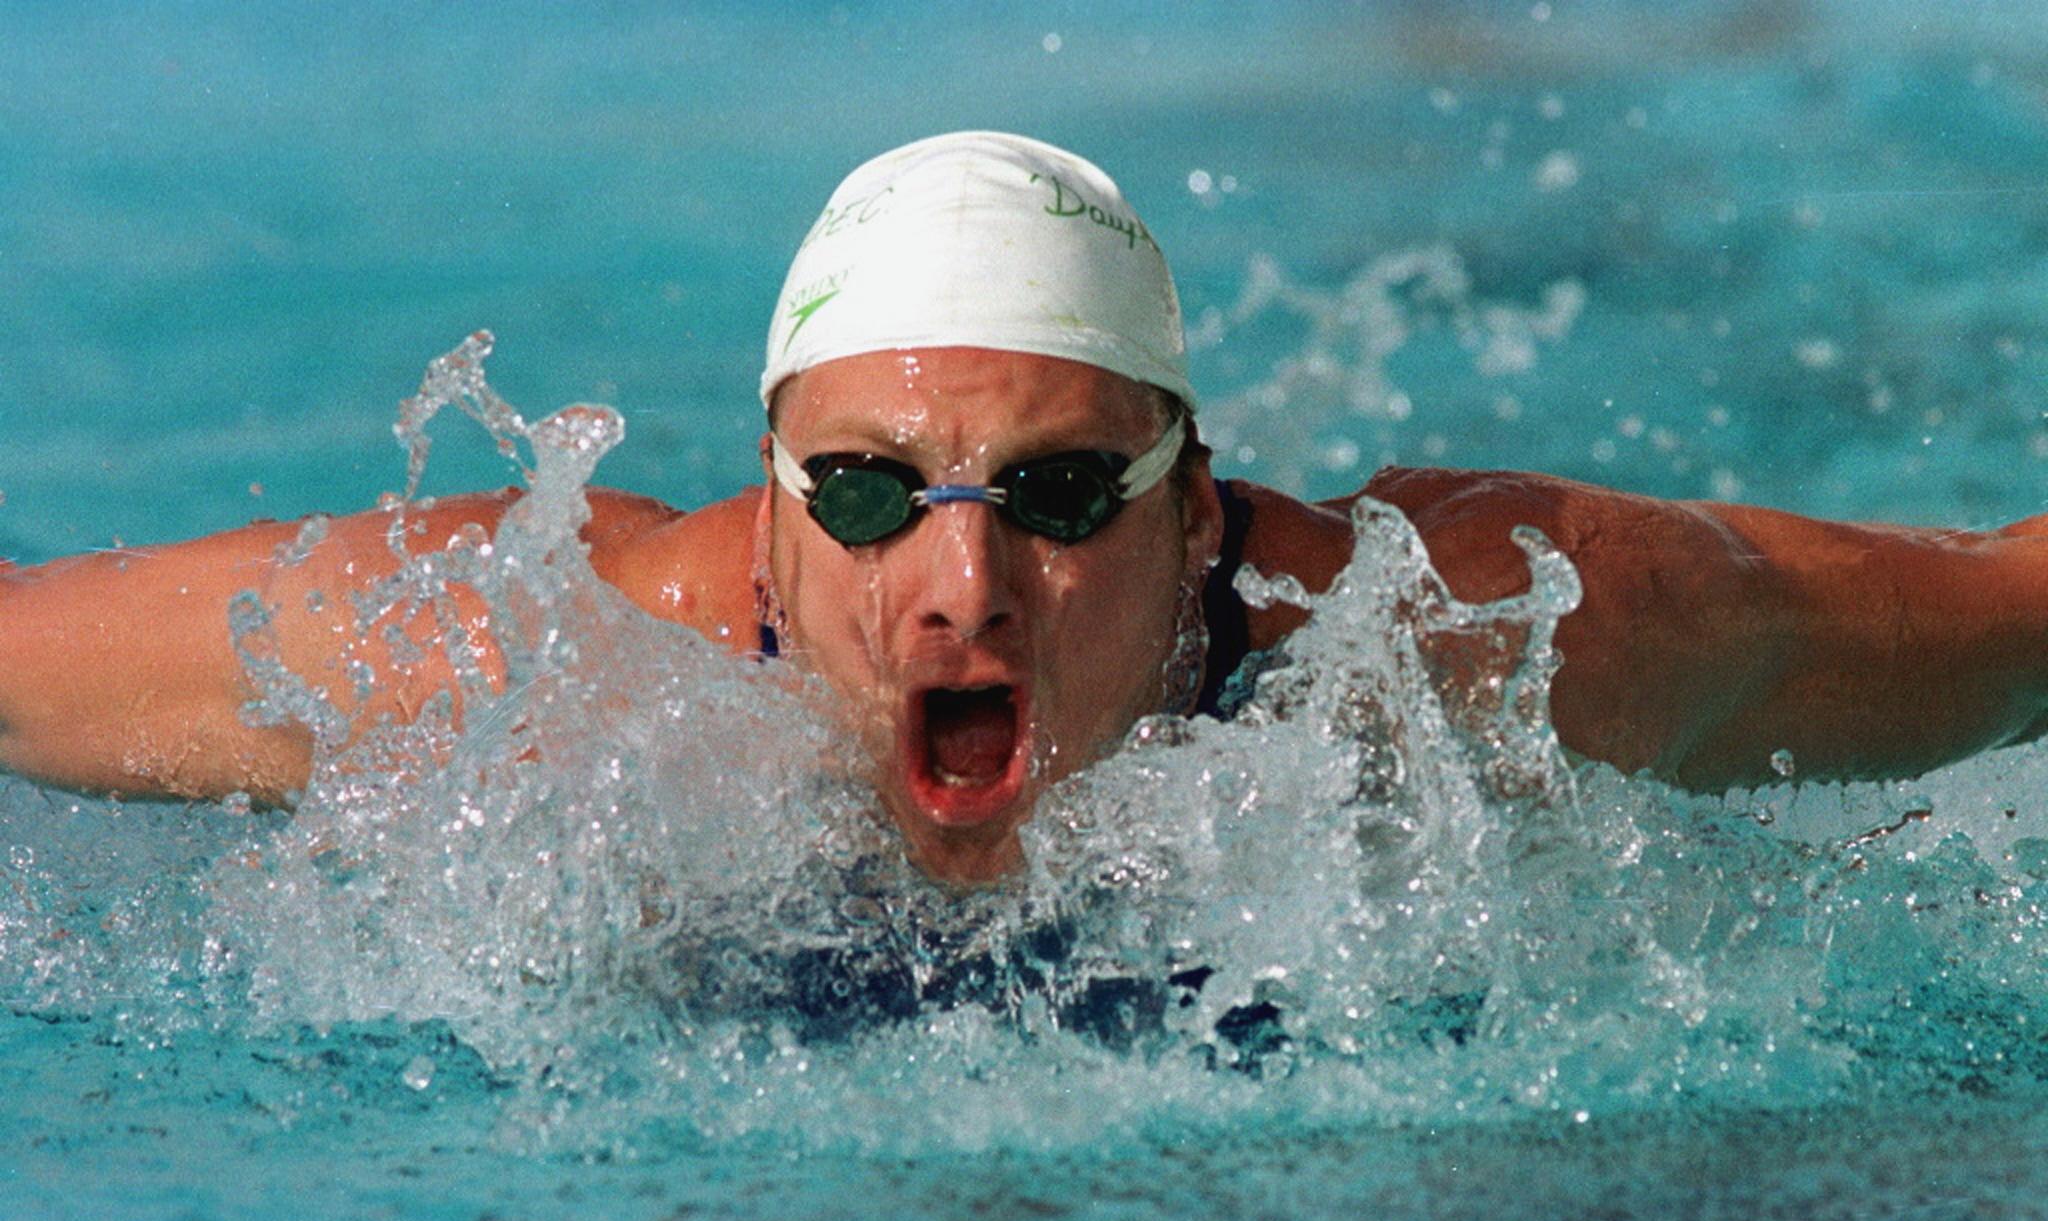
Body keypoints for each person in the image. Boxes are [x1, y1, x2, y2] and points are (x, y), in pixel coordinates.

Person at [3, 131, 2046, 886]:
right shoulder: (540, 656)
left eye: (1063, 492)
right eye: (871, 495)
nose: (958, 591)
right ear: (778, 506)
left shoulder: (1482, 651)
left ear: (1194, 498)